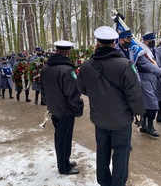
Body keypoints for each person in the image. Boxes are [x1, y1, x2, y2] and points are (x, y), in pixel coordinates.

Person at [77, 26, 145, 186]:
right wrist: (139, 114)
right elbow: (134, 93)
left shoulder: (86, 66)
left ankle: (103, 181)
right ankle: (118, 183)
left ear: (98, 43)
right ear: (114, 43)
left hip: (99, 118)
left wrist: (98, 95)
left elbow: (82, 88)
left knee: (102, 152)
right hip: (121, 120)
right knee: (121, 153)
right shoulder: (125, 64)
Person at [40, 40, 84, 175]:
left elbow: (43, 89)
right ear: (67, 52)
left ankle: (64, 161)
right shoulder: (66, 69)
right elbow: (72, 93)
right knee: (64, 138)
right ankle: (64, 167)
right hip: (65, 110)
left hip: (54, 108)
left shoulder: (46, 67)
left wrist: (49, 103)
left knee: (60, 137)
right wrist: (77, 106)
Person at [137, 32, 161, 137]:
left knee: (149, 103)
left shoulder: (152, 51)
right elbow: (145, 64)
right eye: (151, 41)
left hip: (153, 78)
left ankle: (144, 125)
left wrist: (160, 76)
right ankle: (150, 126)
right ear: (146, 41)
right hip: (144, 78)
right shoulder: (141, 51)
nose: (153, 42)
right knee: (151, 103)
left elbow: (157, 64)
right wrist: (160, 72)